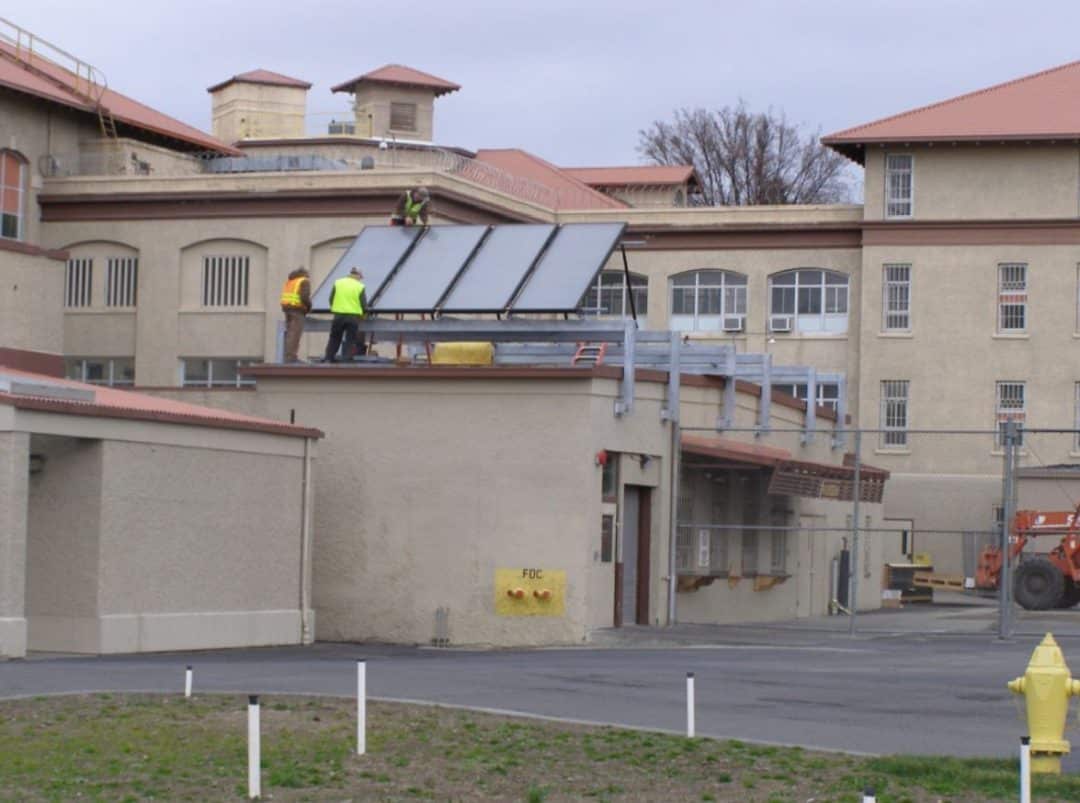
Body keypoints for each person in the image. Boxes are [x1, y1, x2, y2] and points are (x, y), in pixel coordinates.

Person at [324, 267, 368, 363]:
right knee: (350, 339)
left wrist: (335, 309)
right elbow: (363, 305)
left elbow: (331, 299)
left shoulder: (338, 283)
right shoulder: (360, 286)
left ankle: (328, 358)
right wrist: (363, 316)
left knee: (334, 337)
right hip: (353, 317)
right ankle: (347, 359)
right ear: (358, 275)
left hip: (338, 315)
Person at [279, 266, 311, 363]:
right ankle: (291, 358)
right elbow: (304, 297)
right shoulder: (304, 281)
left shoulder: (291, 281)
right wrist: (309, 307)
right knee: (295, 334)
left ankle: (288, 356)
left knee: (289, 333)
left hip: (287, 309)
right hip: (297, 310)